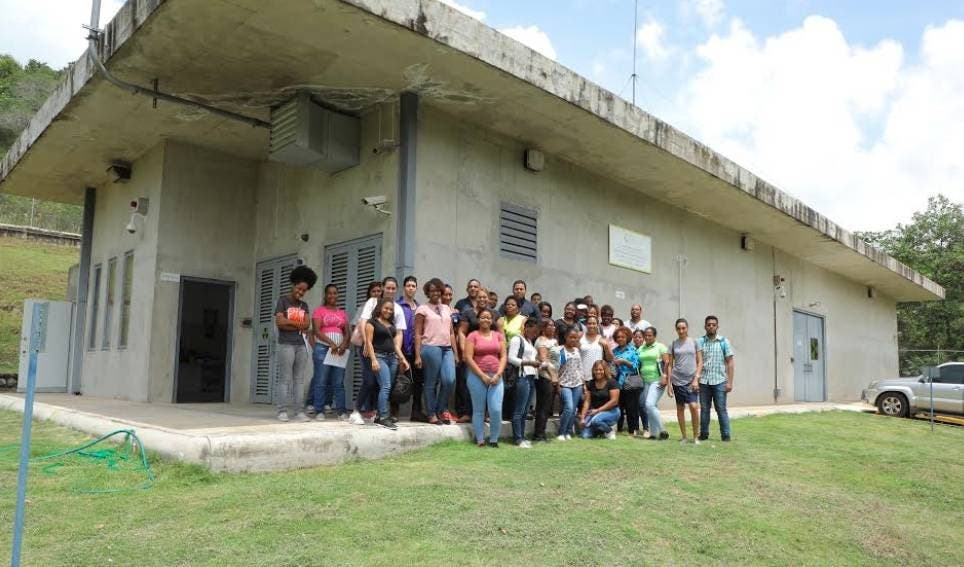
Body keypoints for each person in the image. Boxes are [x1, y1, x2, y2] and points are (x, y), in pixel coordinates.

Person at [355, 299, 410, 430]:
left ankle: (380, 415)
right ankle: (383, 417)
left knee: (387, 387)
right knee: (385, 386)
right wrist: (373, 360)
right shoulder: (371, 322)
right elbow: (368, 342)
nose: (388, 311)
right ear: (380, 308)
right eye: (386, 308)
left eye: (391, 309)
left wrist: (402, 359)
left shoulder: (391, 325)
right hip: (379, 357)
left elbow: (395, 345)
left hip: (392, 358)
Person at [274, 266, 317, 422]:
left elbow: (307, 325)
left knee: (299, 379)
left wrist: (290, 322)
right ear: (293, 285)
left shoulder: (304, 306)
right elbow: (279, 322)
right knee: (285, 378)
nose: (301, 292)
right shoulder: (282, 301)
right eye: (299, 289)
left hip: (302, 345)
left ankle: (299, 411)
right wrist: (298, 323)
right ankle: (282, 411)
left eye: (304, 291)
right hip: (286, 344)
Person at [415, 278, 459, 425]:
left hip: (447, 349)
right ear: (427, 292)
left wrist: (456, 353)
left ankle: (440, 410)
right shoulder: (422, 309)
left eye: (438, 290)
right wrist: (417, 355)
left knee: (449, 380)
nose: (435, 293)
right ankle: (432, 414)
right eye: (432, 290)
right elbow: (418, 333)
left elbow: (452, 332)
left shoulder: (447, 309)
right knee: (431, 382)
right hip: (430, 347)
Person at [463, 308, 507, 447]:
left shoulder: (498, 336)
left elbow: (504, 356)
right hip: (477, 376)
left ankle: (494, 440)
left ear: (492, 320)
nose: (485, 320)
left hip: (496, 376)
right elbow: (468, 358)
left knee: (495, 409)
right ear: (478, 319)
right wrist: (482, 375)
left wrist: (498, 374)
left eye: (488, 317)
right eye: (482, 317)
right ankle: (480, 440)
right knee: (479, 410)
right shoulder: (472, 336)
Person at [309, 283, 350, 421]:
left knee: (338, 382)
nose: (332, 295)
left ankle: (341, 411)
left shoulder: (342, 313)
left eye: (335, 293)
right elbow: (316, 330)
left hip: (339, 351)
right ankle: (319, 410)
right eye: (329, 293)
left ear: (338, 295)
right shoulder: (319, 311)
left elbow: (347, 332)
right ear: (325, 295)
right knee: (321, 381)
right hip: (323, 348)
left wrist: (344, 345)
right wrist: (330, 343)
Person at [698, 315, 735, 441]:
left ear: (717, 327)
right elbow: (698, 361)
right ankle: (703, 434)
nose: (711, 326)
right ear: (705, 327)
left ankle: (725, 435)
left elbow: (730, 362)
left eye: (713, 324)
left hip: (719, 381)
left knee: (721, 409)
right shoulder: (700, 342)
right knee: (704, 410)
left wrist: (729, 382)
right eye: (708, 324)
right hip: (704, 381)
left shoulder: (724, 342)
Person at [456, 288, 490, 423]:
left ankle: (484, 413)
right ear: (476, 298)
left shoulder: (492, 313)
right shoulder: (468, 313)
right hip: (471, 354)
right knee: (468, 383)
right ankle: (467, 413)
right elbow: (461, 332)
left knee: (486, 383)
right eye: (480, 297)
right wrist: (464, 350)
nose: (482, 299)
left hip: (487, 354)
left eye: (484, 297)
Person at [666, 318, 703, 444]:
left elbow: (700, 362)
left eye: (683, 328)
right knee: (680, 408)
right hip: (677, 381)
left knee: (693, 406)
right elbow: (670, 365)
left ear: (687, 328)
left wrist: (696, 378)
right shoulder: (673, 344)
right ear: (676, 329)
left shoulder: (695, 342)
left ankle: (696, 437)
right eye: (679, 328)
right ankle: (684, 436)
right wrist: (669, 384)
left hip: (692, 381)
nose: (681, 330)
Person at [396, 276, 426, 421]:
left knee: (419, 380)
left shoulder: (420, 307)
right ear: (404, 287)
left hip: (417, 350)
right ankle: (394, 411)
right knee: (399, 379)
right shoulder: (398, 305)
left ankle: (416, 411)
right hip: (401, 348)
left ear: (416, 288)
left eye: (413, 286)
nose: (411, 288)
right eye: (408, 285)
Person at [352, 281, 383, 416]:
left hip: (379, 347)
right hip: (365, 347)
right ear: (369, 293)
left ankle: (373, 410)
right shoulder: (364, 307)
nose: (376, 293)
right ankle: (358, 408)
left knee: (378, 380)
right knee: (369, 380)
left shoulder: (385, 307)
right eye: (373, 291)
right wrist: (365, 342)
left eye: (378, 291)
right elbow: (356, 325)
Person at [509, 319, 541, 448]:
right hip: (522, 376)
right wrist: (528, 363)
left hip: (531, 376)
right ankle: (517, 438)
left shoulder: (529, 341)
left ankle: (522, 436)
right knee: (519, 410)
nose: (535, 334)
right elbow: (511, 358)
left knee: (525, 410)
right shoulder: (517, 339)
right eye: (533, 331)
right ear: (527, 327)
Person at [497, 296, 528, 416]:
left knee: (515, 384)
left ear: (518, 308)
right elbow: (500, 337)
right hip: (503, 354)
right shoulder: (501, 320)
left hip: (518, 355)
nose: (509, 307)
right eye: (508, 304)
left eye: (513, 305)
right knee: (504, 384)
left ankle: (513, 412)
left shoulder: (523, 319)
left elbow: (523, 336)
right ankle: (503, 411)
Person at [639, 326, 670, 440]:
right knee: (650, 407)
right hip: (645, 381)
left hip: (657, 380)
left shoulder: (660, 347)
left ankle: (663, 430)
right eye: (645, 335)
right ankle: (653, 434)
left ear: (654, 336)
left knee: (649, 404)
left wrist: (665, 376)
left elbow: (667, 362)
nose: (647, 337)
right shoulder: (641, 348)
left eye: (650, 335)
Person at [611, 326, 641, 436]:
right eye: (618, 337)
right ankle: (618, 429)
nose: (620, 339)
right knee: (618, 406)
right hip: (618, 382)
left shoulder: (633, 350)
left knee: (631, 408)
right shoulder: (614, 351)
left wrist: (624, 362)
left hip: (631, 381)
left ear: (627, 337)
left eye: (623, 337)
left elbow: (636, 366)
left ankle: (632, 431)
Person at [533, 319, 560, 442]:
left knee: (547, 407)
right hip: (545, 377)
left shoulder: (553, 341)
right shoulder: (541, 341)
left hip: (553, 377)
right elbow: (544, 360)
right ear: (543, 328)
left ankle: (542, 433)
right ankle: (539, 434)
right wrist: (553, 376)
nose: (552, 327)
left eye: (553, 325)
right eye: (549, 325)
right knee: (543, 407)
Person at [579, 360, 621, 439]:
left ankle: (609, 431)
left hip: (612, 412)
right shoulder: (590, 384)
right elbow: (587, 402)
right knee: (585, 436)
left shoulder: (612, 382)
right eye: (596, 370)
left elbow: (614, 401)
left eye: (601, 369)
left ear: (605, 370)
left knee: (596, 421)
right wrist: (582, 418)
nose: (598, 372)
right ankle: (601, 431)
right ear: (593, 371)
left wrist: (598, 410)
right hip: (595, 412)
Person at [556, 328, 583, 441]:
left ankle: (568, 432)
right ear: (566, 337)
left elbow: (580, 368)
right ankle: (561, 432)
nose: (573, 339)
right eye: (571, 337)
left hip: (577, 384)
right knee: (569, 407)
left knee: (573, 410)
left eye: (575, 338)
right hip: (564, 384)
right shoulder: (559, 350)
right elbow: (555, 368)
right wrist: (557, 385)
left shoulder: (577, 350)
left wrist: (584, 384)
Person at [579, 315, 613, 384]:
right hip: (582, 377)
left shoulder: (602, 339)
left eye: (594, 323)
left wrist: (606, 346)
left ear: (597, 325)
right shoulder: (580, 337)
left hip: (598, 377)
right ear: (586, 325)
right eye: (589, 323)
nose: (591, 326)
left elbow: (610, 358)